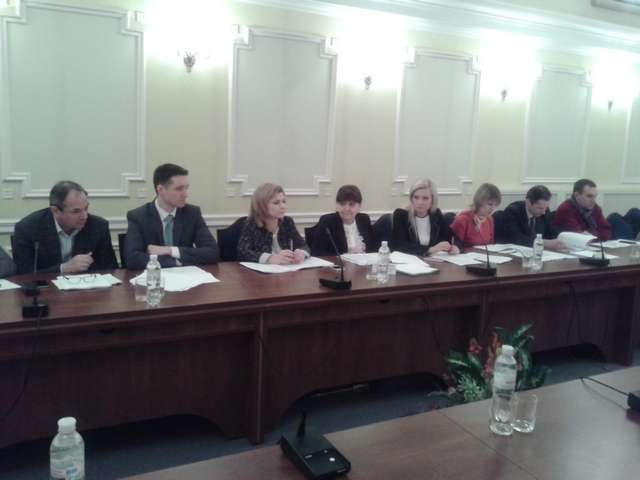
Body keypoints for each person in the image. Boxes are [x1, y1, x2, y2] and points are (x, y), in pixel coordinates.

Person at [125, 163, 219, 270]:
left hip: (186, 277)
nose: (185, 194)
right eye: (179, 189)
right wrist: (174, 262)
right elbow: (132, 259)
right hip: (154, 277)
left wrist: (170, 250)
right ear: (160, 189)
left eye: (186, 188)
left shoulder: (192, 213)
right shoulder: (138, 216)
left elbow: (213, 252)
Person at [13, 181, 118, 274]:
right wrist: (63, 268)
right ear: (55, 211)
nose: (84, 216)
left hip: (86, 287)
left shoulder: (98, 226)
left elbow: (110, 269)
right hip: (47, 288)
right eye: (76, 211)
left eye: (86, 208)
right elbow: (25, 274)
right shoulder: (27, 229)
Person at [237, 183, 309, 264]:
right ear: (262, 206)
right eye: (276, 203)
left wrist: (301, 253)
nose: (282, 206)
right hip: (261, 272)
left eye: (284, 201)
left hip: (288, 269)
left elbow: (303, 245)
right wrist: (270, 258)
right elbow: (242, 252)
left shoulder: (287, 222)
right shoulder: (251, 224)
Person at [391, 179, 460, 256]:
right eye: (416, 197)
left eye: (425, 198)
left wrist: (456, 247)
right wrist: (430, 250)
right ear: (411, 199)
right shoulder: (401, 215)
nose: (420, 202)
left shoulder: (436, 214)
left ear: (432, 201)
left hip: (433, 260)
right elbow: (398, 245)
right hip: (409, 261)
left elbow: (452, 237)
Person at [311, 185, 378, 256]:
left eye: (351, 204)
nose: (347, 209)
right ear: (337, 205)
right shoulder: (327, 221)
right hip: (339, 263)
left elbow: (373, 249)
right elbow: (317, 252)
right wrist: (346, 255)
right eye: (342, 204)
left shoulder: (364, 219)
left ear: (359, 206)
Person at [497, 185, 565, 250]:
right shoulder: (513, 211)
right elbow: (516, 238)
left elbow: (551, 232)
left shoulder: (544, 211)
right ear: (528, 202)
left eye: (546, 208)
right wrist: (543, 243)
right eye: (540, 208)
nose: (543, 212)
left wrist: (562, 239)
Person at [451, 183, 501, 249]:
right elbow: (456, 247)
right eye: (490, 204)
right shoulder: (462, 220)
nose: (493, 208)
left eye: (495, 205)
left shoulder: (489, 219)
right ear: (479, 201)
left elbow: (491, 246)